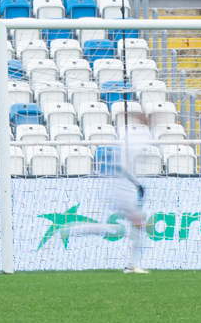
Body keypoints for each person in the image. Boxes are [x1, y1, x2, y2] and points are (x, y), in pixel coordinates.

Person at [62, 107, 153, 272]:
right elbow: (123, 166)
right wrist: (137, 183)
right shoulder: (133, 139)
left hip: (123, 188)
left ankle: (131, 264)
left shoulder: (138, 137)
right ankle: (72, 231)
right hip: (122, 189)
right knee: (134, 226)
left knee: (133, 227)